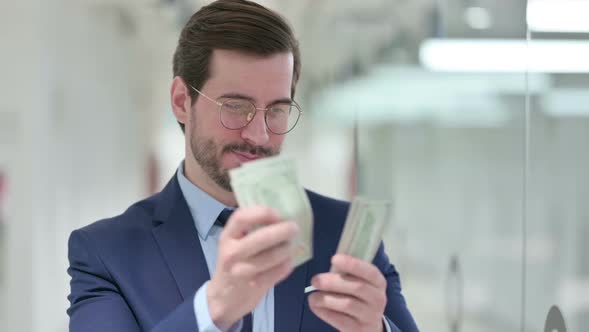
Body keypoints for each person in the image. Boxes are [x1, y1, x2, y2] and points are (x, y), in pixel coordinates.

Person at [66, 1, 419, 331]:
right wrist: (214, 306)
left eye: (277, 109)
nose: (259, 134)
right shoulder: (107, 253)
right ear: (180, 102)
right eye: (235, 106)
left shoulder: (341, 233)